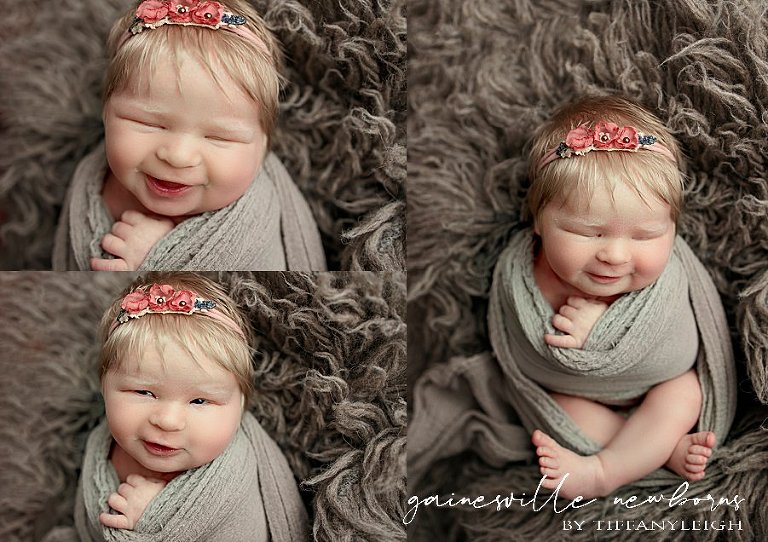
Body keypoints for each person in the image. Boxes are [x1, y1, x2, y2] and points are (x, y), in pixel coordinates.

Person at [521, 95, 718, 499]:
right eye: (588, 232)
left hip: (657, 383)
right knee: (553, 403)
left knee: (685, 391)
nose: (614, 255)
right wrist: (572, 338)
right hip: (577, 393)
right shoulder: (525, 275)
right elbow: (529, 346)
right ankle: (659, 450)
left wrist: (603, 330)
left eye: (646, 235)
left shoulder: (667, 274)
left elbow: (677, 338)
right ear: (539, 220)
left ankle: (604, 470)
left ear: (672, 229)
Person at [53, 0, 326, 271]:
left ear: (263, 143)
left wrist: (161, 261)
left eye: (218, 137)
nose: (178, 156)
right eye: (148, 123)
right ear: (106, 113)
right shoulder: (93, 181)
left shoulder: (256, 217)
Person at [71, 273, 307, 539]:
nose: (168, 421)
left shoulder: (231, 480)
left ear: (241, 404)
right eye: (144, 392)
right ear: (104, 386)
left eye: (199, 400)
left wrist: (161, 519)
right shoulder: (102, 447)